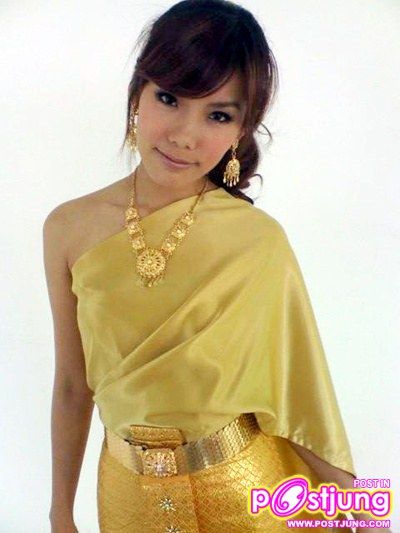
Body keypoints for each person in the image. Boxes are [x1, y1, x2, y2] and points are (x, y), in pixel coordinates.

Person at [44, 1, 387, 532]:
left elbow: (300, 393)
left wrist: (360, 511)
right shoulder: (68, 227)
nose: (185, 135)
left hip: (245, 497)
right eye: (169, 98)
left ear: (241, 131)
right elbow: (72, 384)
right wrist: (59, 513)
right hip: (124, 499)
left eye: (218, 115)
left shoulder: (257, 240)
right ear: (137, 94)